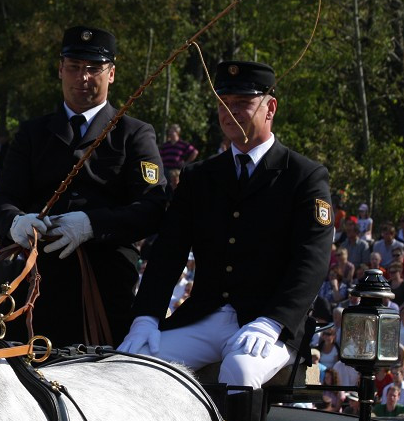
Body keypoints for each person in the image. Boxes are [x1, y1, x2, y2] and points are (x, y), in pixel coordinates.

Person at [120, 59, 333, 394]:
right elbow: (169, 251)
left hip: (266, 322)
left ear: (270, 108)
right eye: (224, 104)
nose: (230, 112)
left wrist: (273, 320)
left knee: (240, 368)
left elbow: (312, 259)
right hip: (204, 316)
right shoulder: (200, 176)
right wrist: (146, 316)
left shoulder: (303, 176)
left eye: (243, 104)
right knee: (132, 361)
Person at [0, 25, 166, 346]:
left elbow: (152, 207)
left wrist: (92, 225)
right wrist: (15, 223)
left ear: (111, 74)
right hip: (33, 282)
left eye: (93, 69)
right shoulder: (32, 133)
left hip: (102, 281)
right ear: (60, 70)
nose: (82, 78)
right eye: (73, 68)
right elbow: (2, 199)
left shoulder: (133, 134)